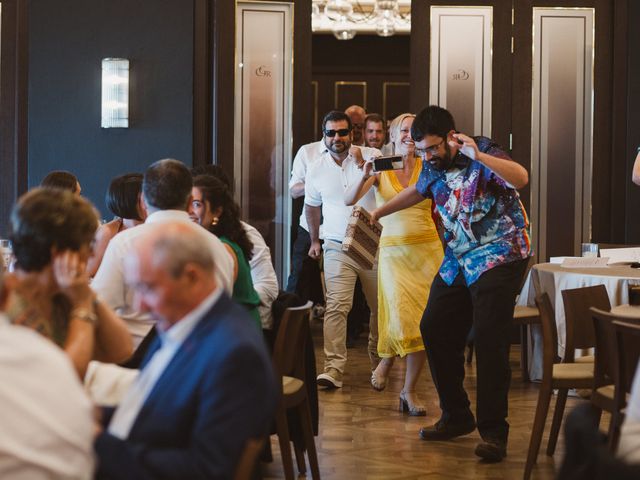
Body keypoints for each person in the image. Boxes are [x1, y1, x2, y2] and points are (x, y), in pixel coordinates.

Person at [371, 105, 531, 462]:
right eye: (421, 150)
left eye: (431, 148)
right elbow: (419, 191)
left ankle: (494, 432)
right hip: (459, 257)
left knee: (490, 338)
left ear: (450, 137)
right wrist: (381, 211)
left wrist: (478, 156)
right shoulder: (431, 165)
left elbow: (520, 177)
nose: (426, 156)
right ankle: (457, 415)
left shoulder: (483, 150)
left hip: (500, 252)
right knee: (434, 326)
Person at [94, 222, 278, 480]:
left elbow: (207, 469)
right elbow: (156, 406)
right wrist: (95, 414)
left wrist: (98, 445)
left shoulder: (235, 355)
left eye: (148, 288)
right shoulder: (182, 321)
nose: (139, 304)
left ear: (191, 277)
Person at [345, 113, 443, 416]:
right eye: (403, 130)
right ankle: (387, 359)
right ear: (393, 135)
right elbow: (350, 199)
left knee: (426, 323)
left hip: (428, 250)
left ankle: (408, 390)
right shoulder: (384, 166)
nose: (409, 136)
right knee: (402, 315)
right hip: (393, 252)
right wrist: (365, 173)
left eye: (414, 131)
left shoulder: (430, 167)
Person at [92, 158, 234, 347]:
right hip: (204, 362)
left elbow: (97, 307)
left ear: (143, 200)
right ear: (191, 201)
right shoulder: (218, 247)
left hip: (135, 364)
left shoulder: (124, 244)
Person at [4, 188, 133, 378]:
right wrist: (81, 306)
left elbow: (122, 350)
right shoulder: (9, 303)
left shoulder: (62, 294)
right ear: (59, 252)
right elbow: (64, 378)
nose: (91, 254)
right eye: (88, 245)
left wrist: (86, 295)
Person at [305, 110, 382, 388]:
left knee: (379, 307)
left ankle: (379, 363)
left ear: (352, 133)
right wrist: (315, 240)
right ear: (324, 136)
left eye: (342, 132)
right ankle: (333, 369)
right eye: (331, 133)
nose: (336, 138)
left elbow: (391, 190)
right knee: (337, 306)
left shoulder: (372, 157)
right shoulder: (315, 168)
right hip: (337, 244)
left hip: (375, 242)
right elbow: (311, 207)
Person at [0, 271, 96, 479]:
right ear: (8, 294)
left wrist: (84, 300)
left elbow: (123, 350)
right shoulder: (45, 352)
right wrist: (83, 300)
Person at [192, 165, 279, 330]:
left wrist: (241, 301)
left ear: (217, 208)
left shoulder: (235, 239)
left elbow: (268, 287)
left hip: (244, 329)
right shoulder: (203, 238)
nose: (189, 211)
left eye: (196, 203)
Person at [87, 173, 147, 277]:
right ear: (128, 202)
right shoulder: (107, 233)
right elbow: (89, 272)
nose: (149, 203)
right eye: (143, 199)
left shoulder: (156, 226)